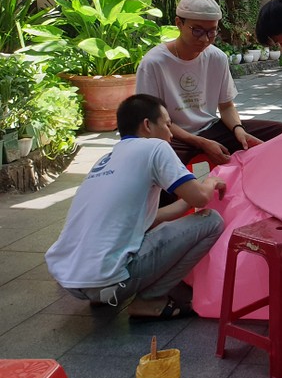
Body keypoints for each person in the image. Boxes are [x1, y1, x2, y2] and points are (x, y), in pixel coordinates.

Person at [45, 94, 226, 321]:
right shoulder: (156, 147)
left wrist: (189, 199)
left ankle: (103, 294)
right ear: (147, 125)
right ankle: (151, 301)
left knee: (155, 228)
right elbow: (201, 198)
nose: (171, 134)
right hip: (108, 280)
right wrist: (210, 182)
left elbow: (152, 217)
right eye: (167, 125)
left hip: (72, 280)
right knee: (212, 221)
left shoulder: (107, 158)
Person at [136, 0, 282, 165]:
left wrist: (238, 130)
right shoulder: (153, 63)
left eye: (212, 32)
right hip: (173, 136)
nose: (205, 39)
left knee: (280, 131)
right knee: (154, 157)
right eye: (197, 31)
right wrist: (201, 143)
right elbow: (154, 120)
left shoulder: (217, 57)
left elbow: (226, 106)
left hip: (210, 128)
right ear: (179, 23)